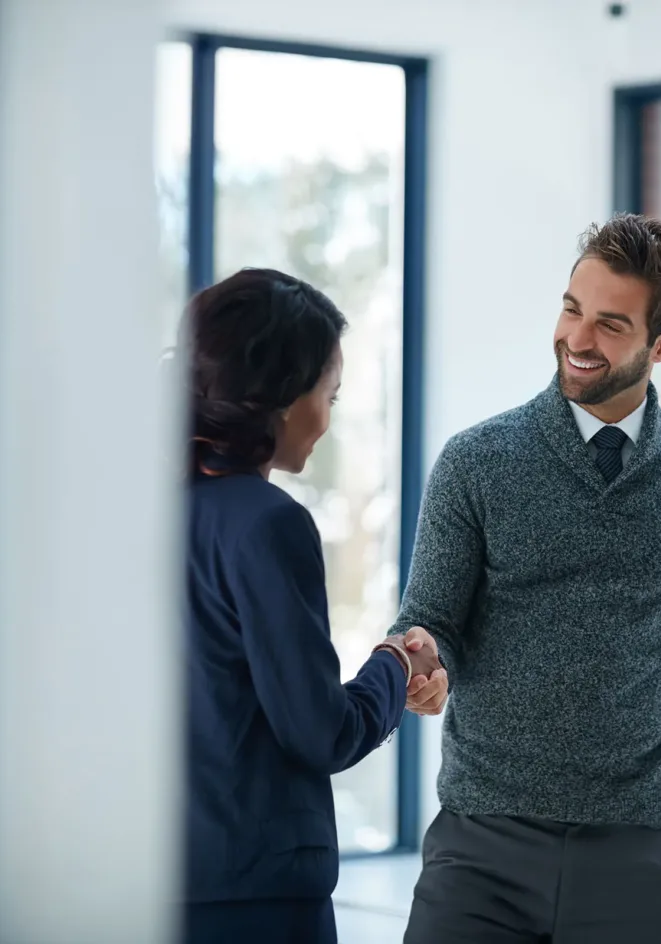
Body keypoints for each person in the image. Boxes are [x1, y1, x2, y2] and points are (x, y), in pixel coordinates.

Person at [393, 214, 661, 944]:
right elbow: (429, 617)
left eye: (609, 324)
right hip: (479, 847)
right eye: (571, 309)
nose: (577, 339)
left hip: (635, 855)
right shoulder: (475, 462)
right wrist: (423, 661)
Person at [180, 268, 448, 944]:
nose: (328, 417)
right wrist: (394, 663)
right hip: (257, 897)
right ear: (282, 399)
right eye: (328, 393)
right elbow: (320, 730)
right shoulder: (268, 524)